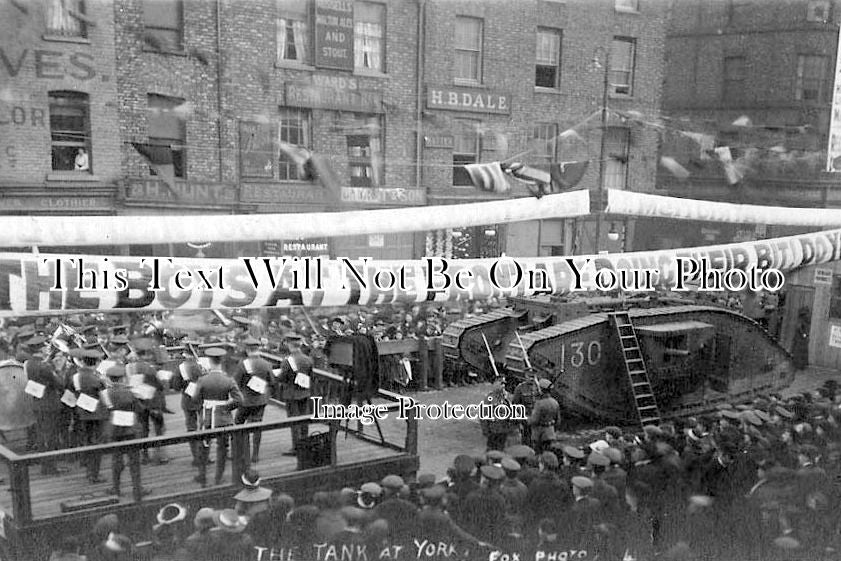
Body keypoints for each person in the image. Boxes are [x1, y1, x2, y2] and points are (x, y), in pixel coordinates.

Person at [192, 347, 243, 487]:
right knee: (222, 448)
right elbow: (239, 400)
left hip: (207, 416)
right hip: (223, 417)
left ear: (209, 361)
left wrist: (201, 408)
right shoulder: (229, 380)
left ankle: (202, 477)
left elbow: (195, 399)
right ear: (221, 361)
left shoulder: (203, 380)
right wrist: (226, 407)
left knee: (203, 447)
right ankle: (218, 478)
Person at [101, 364, 149, 500]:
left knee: (116, 460)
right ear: (122, 378)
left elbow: (103, 411)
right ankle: (137, 489)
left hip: (114, 429)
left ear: (110, 379)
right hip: (130, 429)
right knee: (134, 460)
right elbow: (140, 409)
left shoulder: (105, 393)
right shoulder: (130, 392)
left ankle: (116, 489)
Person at [22, 335, 66, 475]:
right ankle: (50, 467)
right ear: (40, 349)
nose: (47, 348)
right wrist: (58, 369)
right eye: (45, 346)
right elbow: (60, 384)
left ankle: (45, 465)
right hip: (50, 404)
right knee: (51, 436)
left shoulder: (28, 364)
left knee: (41, 435)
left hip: (37, 403)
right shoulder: (45, 366)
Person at [233, 336, 275, 464]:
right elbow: (272, 381)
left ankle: (240, 451)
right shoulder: (266, 363)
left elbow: (236, 382)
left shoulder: (242, 364)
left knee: (238, 423)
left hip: (245, 400)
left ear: (247, 350)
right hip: (261, 400)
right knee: (257, 426)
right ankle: (255, 454)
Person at [126, 337, 167, 464]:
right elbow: (159, 385)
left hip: (138, 402)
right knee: (158, 428)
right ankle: (159, 455)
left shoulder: (128, 368)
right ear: (145, 354)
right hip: (153, 401)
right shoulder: (149, 368)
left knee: (143, 429)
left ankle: (144, 455)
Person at [70, 347, 107, 484]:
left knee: (86, 440)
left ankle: (86, 467)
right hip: (97, 414)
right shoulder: (96, 378)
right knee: (96, 444)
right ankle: (94, 474)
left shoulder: (76, 376)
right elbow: (103, 393)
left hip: (82, 412)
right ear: (96, 362)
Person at [276, 334, 313, 456]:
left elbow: (282, 378)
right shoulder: (308, 359)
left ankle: (296, 447)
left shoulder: (287, 361)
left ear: (289, 345)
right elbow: (311, 375)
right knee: (304, 419)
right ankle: (305, 444)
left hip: (291, 394)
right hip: (304, 392)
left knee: (294, 421)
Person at [171, 347, 206, 466]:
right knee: (204, 427)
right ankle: (205, 456)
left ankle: (196, 457)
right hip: (203, 399)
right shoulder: (203, 364)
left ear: (185, 354)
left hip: (188, 400)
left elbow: (176, 387)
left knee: (191, 428)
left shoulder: (181, 368)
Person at [529, 378, 560, 454]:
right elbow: (558, 421)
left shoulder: (539, 404)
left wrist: (525, 419)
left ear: (541, 390)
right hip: (550, 433)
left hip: (539, 435)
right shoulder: (555, 403)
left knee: (538, 455)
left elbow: (534, 420)